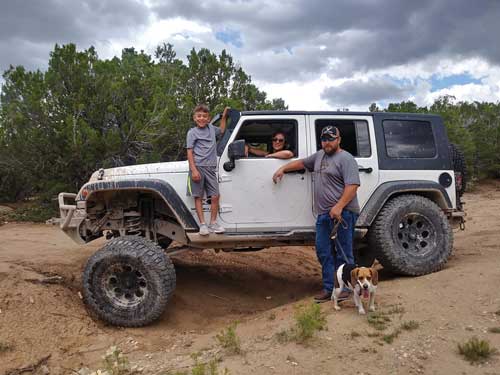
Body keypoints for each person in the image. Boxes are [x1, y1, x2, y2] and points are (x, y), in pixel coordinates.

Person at [272, 125, 360, 303]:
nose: (327, 142)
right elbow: (302, 163)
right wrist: (283, 169)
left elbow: (353, 186)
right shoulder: (319, 155)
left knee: (343, 253)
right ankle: (330, 288)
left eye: (330, 138)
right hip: (323, 215)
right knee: (323, 252)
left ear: (338, 139)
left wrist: (339, 206)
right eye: (324, 139)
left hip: (342, 214)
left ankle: (346, 290)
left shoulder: (346, 158)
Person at [186, 105, 229, 236]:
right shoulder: (192, 132)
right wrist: (193, 170)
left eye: (204, 116)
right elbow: (189, 151)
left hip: (210, 168)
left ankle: (213, 223)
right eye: (199, 116)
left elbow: (221, 130)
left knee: (215, 196)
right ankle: (202, 225)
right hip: (198, 167)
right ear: (194, 118)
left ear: (208, 118)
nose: (202, 118)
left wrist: (224, 116)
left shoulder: (211, 129)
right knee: (198, 196)